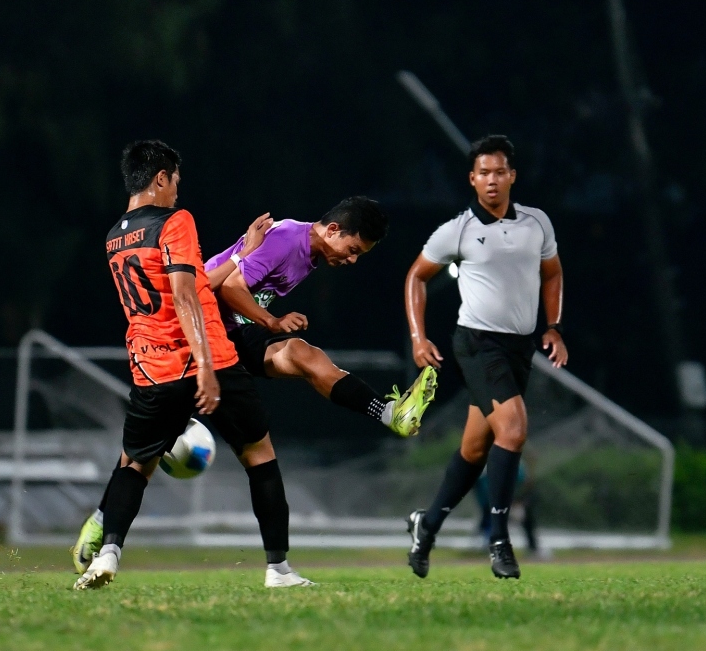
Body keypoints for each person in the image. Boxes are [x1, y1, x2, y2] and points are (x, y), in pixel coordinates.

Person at [74, 139, 312, 589]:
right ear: (160, 178)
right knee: (259, 455)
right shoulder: (175, 221)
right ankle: (278, 569)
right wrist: (204, 365)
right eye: (175, 182)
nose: (177, 192)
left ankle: (107, 555)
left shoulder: (114, 237)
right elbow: (185, 296)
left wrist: (242, 252)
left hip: (152, 368)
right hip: (209, 359)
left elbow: (197, 282)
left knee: (134, 466)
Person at [403, 135, 567, 579]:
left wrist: (554, 326)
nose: (491, 180)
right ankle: (499, 540)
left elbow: (553, 273)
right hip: (477, 343)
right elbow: (416, 277)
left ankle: (426, 524)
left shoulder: (536, 223)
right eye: (483, 173)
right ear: (472, 179)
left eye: (499, 172)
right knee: (513, 430)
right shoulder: (456, 230)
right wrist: (418, 337)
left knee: (475, 448)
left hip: (519, 347)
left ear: (511, 176)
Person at [203, 197, 437, 438]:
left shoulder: (309, 252)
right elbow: (230, 287)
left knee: (305, 355)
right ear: (333, 230)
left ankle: (388, 413)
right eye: (353, 250)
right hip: (198, 328)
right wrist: (272, 321)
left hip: (233, 330)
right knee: (248, 443)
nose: (353, 260)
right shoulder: (286, 239)